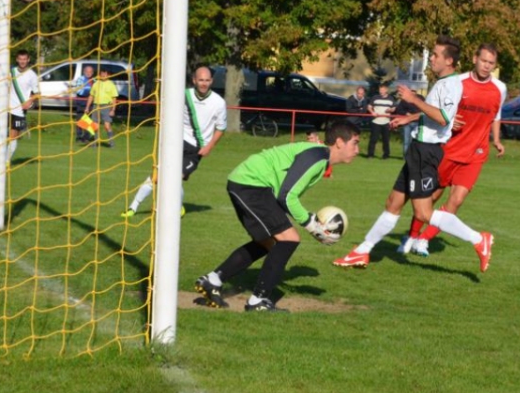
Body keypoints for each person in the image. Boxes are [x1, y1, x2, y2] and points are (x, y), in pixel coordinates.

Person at [333, 35, 495, 273]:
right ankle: (362, 252)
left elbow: (442, 117)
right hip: (418, 150)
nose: (432, 59)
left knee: (423, 212)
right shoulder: (442, 83)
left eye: (437, 55)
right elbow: (434, 114)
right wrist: (408, 117)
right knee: (393, 203)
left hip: (427, 153)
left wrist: (412, 100)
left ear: (449, 60)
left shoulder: (450, 84)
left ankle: (478, 240)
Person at [194, 121, 361, 311]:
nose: (357, 150)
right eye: (355, 143)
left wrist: (310, 222)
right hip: (251, 184)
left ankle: (212, 280)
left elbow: (286, 195)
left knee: (268, 243)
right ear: (339, 142)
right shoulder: (317, 157)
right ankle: (258, 301)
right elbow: (287, 196)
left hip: (248, 182)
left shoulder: (319, 156)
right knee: (289, 239)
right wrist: (311, 225)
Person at [399, 43, 507, 257]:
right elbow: (438, 111)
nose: (486, 66)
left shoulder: (500, 88)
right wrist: (412, 118)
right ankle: (410, 237)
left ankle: (424, 240)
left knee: (456, 200)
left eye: (491, 63)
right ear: (475, 59)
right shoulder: (457, 83)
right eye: (483, 61)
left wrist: (497, 140)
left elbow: (496, 116)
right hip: (448, 149)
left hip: (475, 153)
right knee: (429, 198)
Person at [121, 65, 227, 218]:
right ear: (194, 80)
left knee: (176, 178)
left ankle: (178, 207)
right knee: (156, 176)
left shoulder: (218, 102)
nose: (204, 83)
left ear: (211, 81)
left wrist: (210, 147)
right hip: (176, 142)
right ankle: (133, 207)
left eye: (207, 80)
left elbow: (221, 128)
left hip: (196, 149)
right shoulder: (184, 95)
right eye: (201, 80)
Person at [6, 50, 39, 163]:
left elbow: (37, 93)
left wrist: (29, 101)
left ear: (28, 60)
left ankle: (6, 161)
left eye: (24, 59)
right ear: (17, 59)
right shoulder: (11, 72)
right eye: (20, 59)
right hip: (5, 108)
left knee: (13, 136)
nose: (22, 61)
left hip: (19, 110)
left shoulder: (32, 75)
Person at [84, 66, 118, 147]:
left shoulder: (111, 84)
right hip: (96, 106)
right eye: (101, 73)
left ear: (108, 74)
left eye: (105, 73)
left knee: (107, 126)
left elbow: (114, 98)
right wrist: (87, 107)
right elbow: (91, 96)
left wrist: (113, 109)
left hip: (106, 106)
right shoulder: (96, 83)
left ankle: (111, 142)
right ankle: (94, 143)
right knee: (95, 126)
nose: (103, 75)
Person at [366, 84, 395, 159]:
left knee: (386, 140)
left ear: (386, 90)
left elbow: (394, 108)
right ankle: (370, 155)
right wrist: (372, 112)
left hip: (386, 122)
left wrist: (390, 110)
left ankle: (386, 155)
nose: (381, 91)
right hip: (376, 121)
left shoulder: (391, 98)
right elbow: (369, 107)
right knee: (373, 139)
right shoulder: (375, 97)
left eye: (382, 90)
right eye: (380, 90)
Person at [394, 91, 423, 156]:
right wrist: (406, 113)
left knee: (418, 141)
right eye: (411, 93)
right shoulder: (404, 100)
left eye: (413, 93)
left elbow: (425, 109)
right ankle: (406, 156)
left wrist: (415, 116)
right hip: (407, 124)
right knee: (406, 141)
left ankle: (416, 155)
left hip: (418, 123)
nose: (412, 94)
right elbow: (399, 109)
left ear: (416, 93)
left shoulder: (421, 98)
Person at [73, 64, 95, 142]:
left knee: (88, 120)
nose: (88, 73)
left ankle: (86, 137)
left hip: (91, 103)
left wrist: (91, 92)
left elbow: (95, 92)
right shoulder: (80, 79)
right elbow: (80, 91)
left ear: (92, 73)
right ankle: (79, 137)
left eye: (90, 72)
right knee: (80, 119)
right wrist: (90, 91)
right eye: (87, 71)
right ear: (84, 72)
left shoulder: (94, 80)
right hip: (81, 103)